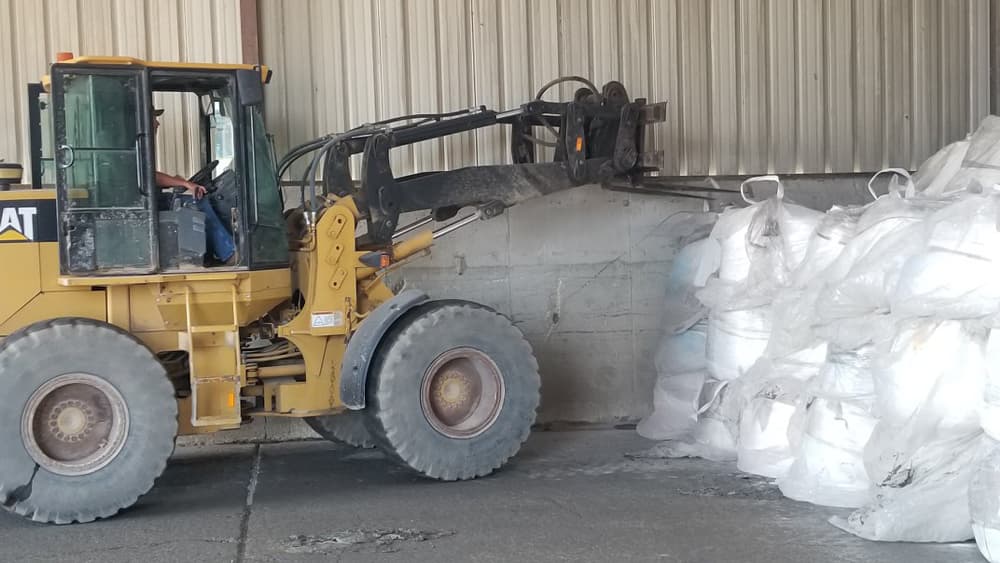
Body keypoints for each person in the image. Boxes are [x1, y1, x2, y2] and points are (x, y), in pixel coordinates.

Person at [152, 108, 237, 266]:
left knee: (197, 198)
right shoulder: (136, 149)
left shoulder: (141, 147)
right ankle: (228, 253)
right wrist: (185, 183)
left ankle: (209, 253)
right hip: (148, 207)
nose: (157, 123)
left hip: (151, 201)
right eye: (153, 118)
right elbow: (151, 176)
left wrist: (182, 181)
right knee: (197, 202)